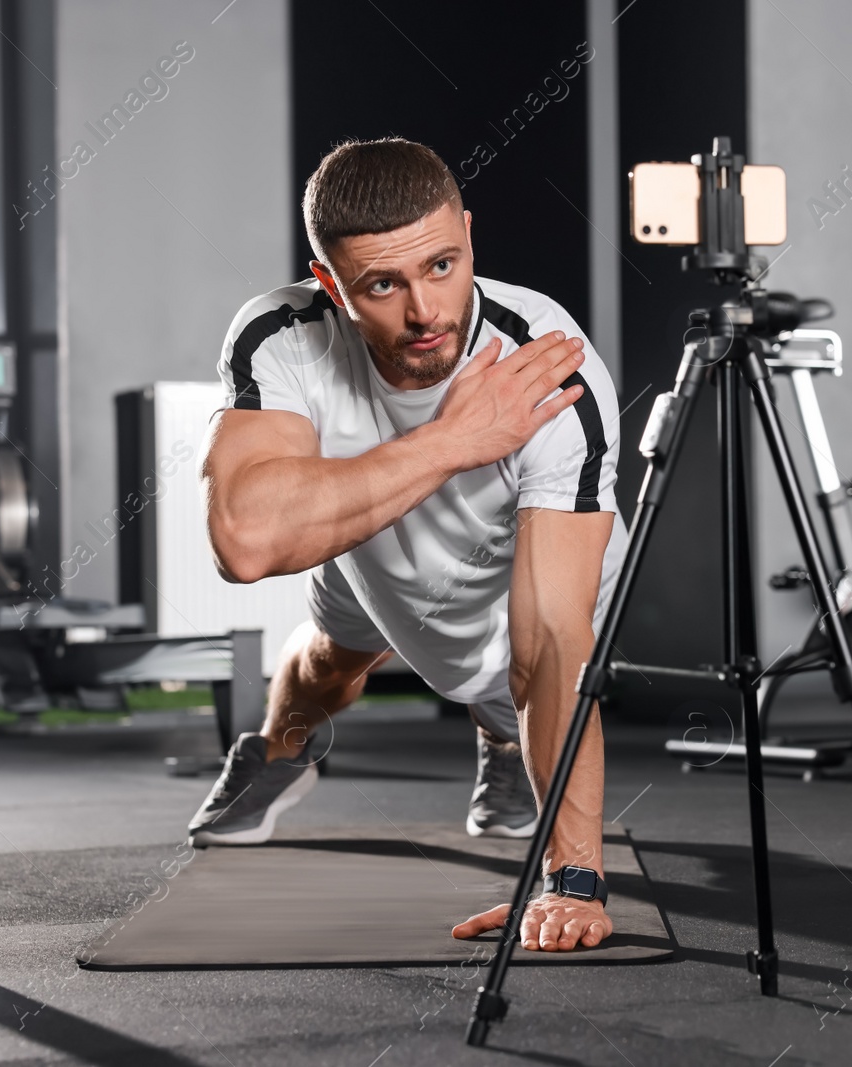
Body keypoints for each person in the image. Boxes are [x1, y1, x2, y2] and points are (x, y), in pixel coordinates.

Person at [189, 138, 626, 953]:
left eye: (441, 265)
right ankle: (279, 754)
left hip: (513, 560)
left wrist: (572, 879)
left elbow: (552, 644)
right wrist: (454, 439)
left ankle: (501, 737)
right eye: (383, 285)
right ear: (330, 283)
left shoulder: (543, 360)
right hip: (367, 534)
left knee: (507, 677)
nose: (425, 312)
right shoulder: (282, 334)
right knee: (325, 664)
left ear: (468, 234)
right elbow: (244, 543)